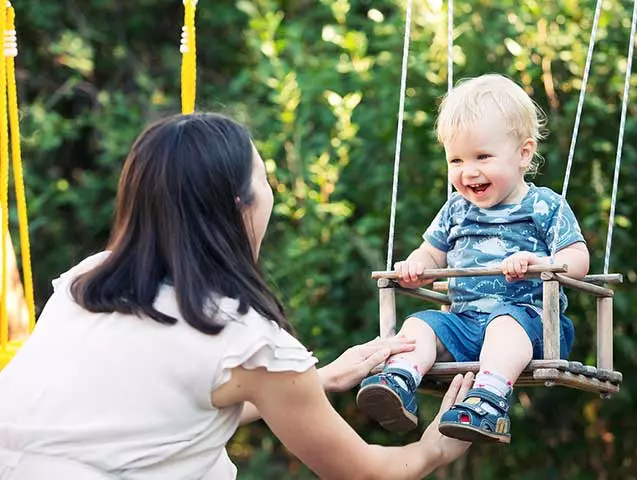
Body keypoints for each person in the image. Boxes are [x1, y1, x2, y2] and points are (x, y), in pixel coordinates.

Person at [0, 112, 474, 480]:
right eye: (264, 179)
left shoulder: (87, 283)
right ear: (240, 206)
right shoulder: (245, 339)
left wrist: (320, 379)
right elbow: (365, 471)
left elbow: (158, 411)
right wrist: (436, 447)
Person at [356, 74, 590, 444]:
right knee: (420, 324)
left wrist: (539, 262)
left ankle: (489, 403)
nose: (468, 171)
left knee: (503, 325)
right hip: (464, 324)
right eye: (456, 160)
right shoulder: (456, 209)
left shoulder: (544, 204)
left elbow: (578, 257)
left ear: (523, 154)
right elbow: (432, 252)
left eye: (482, 156)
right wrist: (417, 265)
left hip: (530, 323)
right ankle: (398, 381)